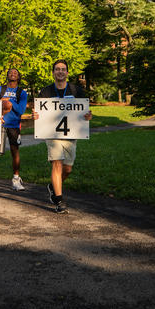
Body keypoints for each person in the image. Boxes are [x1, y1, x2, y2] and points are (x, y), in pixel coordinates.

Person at [33, 59, 92, 214]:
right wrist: (36, 115)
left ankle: (53, 187)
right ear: (53, 72)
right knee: (57, 164)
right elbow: (40, 112)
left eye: (63, 69)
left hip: (71, 134)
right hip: (52, 134)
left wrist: (88, 116)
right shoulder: (46, 92)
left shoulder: (76, 91)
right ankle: (59, 200)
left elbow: (84, 111)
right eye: (57, 69)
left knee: (67, 169)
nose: (60, 71)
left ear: (67, 72)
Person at [0, 68, 28, 194]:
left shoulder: (21, 92)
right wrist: (0, 103)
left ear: (19, 76)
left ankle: (16, 179)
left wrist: (9, 102)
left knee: (15, 151)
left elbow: (21, 110)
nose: (13, 74)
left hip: (14, 125)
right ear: (7, 75)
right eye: (11, 72)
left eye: (16, 72)